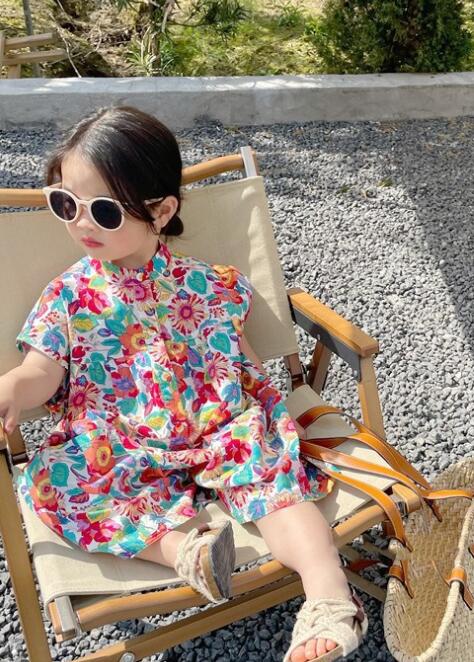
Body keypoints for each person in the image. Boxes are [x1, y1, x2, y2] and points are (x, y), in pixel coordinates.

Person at [0, 106, 367, 662]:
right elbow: (40, 371)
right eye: (65, 204)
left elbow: (241, 358)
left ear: (161, 210)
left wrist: (264, 407)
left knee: (270, 474)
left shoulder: (207, 283)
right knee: (53, 481)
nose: (80, 224)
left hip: (217, 425)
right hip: (122, 442)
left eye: (103, 210)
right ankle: (186, 552)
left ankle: (329, 595)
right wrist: (11, 387)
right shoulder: (67, 296)